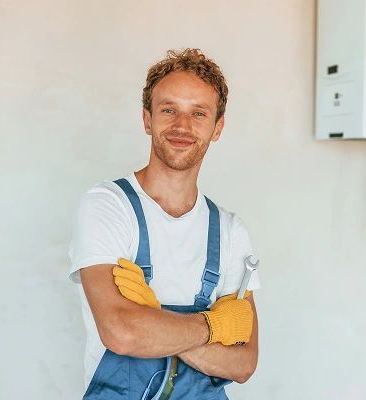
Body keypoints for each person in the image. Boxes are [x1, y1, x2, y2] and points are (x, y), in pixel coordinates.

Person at [68, 48, 260, 400]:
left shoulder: (230, 232)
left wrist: (153, 320)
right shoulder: (108, 207)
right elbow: (121, 334)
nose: (182, 126)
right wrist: (214, 325)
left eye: (198, 113)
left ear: (217, 127)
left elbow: (243, 363)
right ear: (147, 119)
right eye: (168, 109)